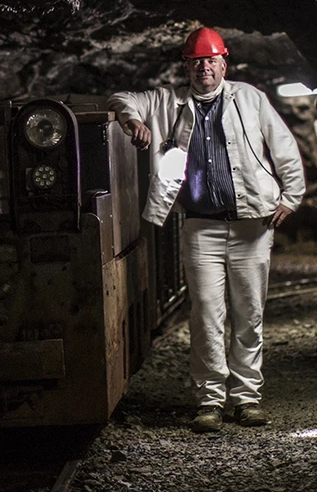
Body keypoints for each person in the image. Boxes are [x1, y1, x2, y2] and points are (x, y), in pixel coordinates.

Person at [109, 27, 306, 433]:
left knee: (248, 314)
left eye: (211, 61)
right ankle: (210, 401)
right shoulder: (168, 102)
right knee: (206, 314)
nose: (204, 68)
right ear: (186, 67)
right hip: (201, 227)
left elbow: (283, 146)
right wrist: (132, 121)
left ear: (223, 64)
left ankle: (247, 398)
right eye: (197, 62)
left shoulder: (249, 98)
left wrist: (291, 197)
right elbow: (121, 98)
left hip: (252, 226)